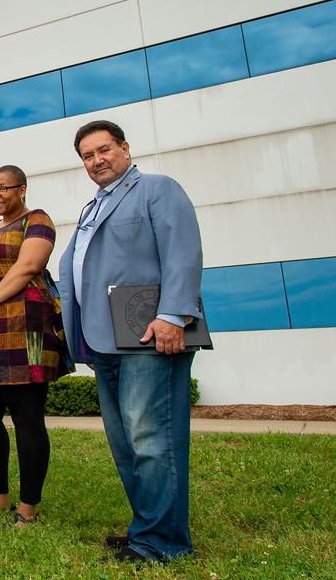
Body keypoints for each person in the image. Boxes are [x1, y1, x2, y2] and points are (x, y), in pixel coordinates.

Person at [57, 120, 204, 565]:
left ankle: (161, 542)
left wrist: (172, 315)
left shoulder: (158, 189)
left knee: (152, 436)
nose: (96, 160)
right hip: (104, 338)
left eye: (104, 150)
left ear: (124, 148)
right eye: (87, 155)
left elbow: (184, 250)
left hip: (148, 333)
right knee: (126, 441)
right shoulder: (93, 207)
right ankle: (148, 527)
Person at [0, 165, 73, 528]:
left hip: (22, 328)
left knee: (26, 418)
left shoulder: (37, 220)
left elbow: (27, 268)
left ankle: (27, 508)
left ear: (22, 189)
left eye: (2, 189)